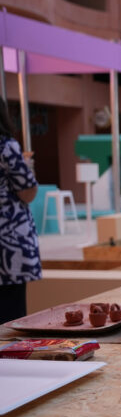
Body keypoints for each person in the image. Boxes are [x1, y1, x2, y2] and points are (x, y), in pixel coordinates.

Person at [0, 102, 41, 323]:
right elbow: (27, 191)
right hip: (7, 243)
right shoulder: (6, 147)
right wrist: (27, 167)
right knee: (10, 315)